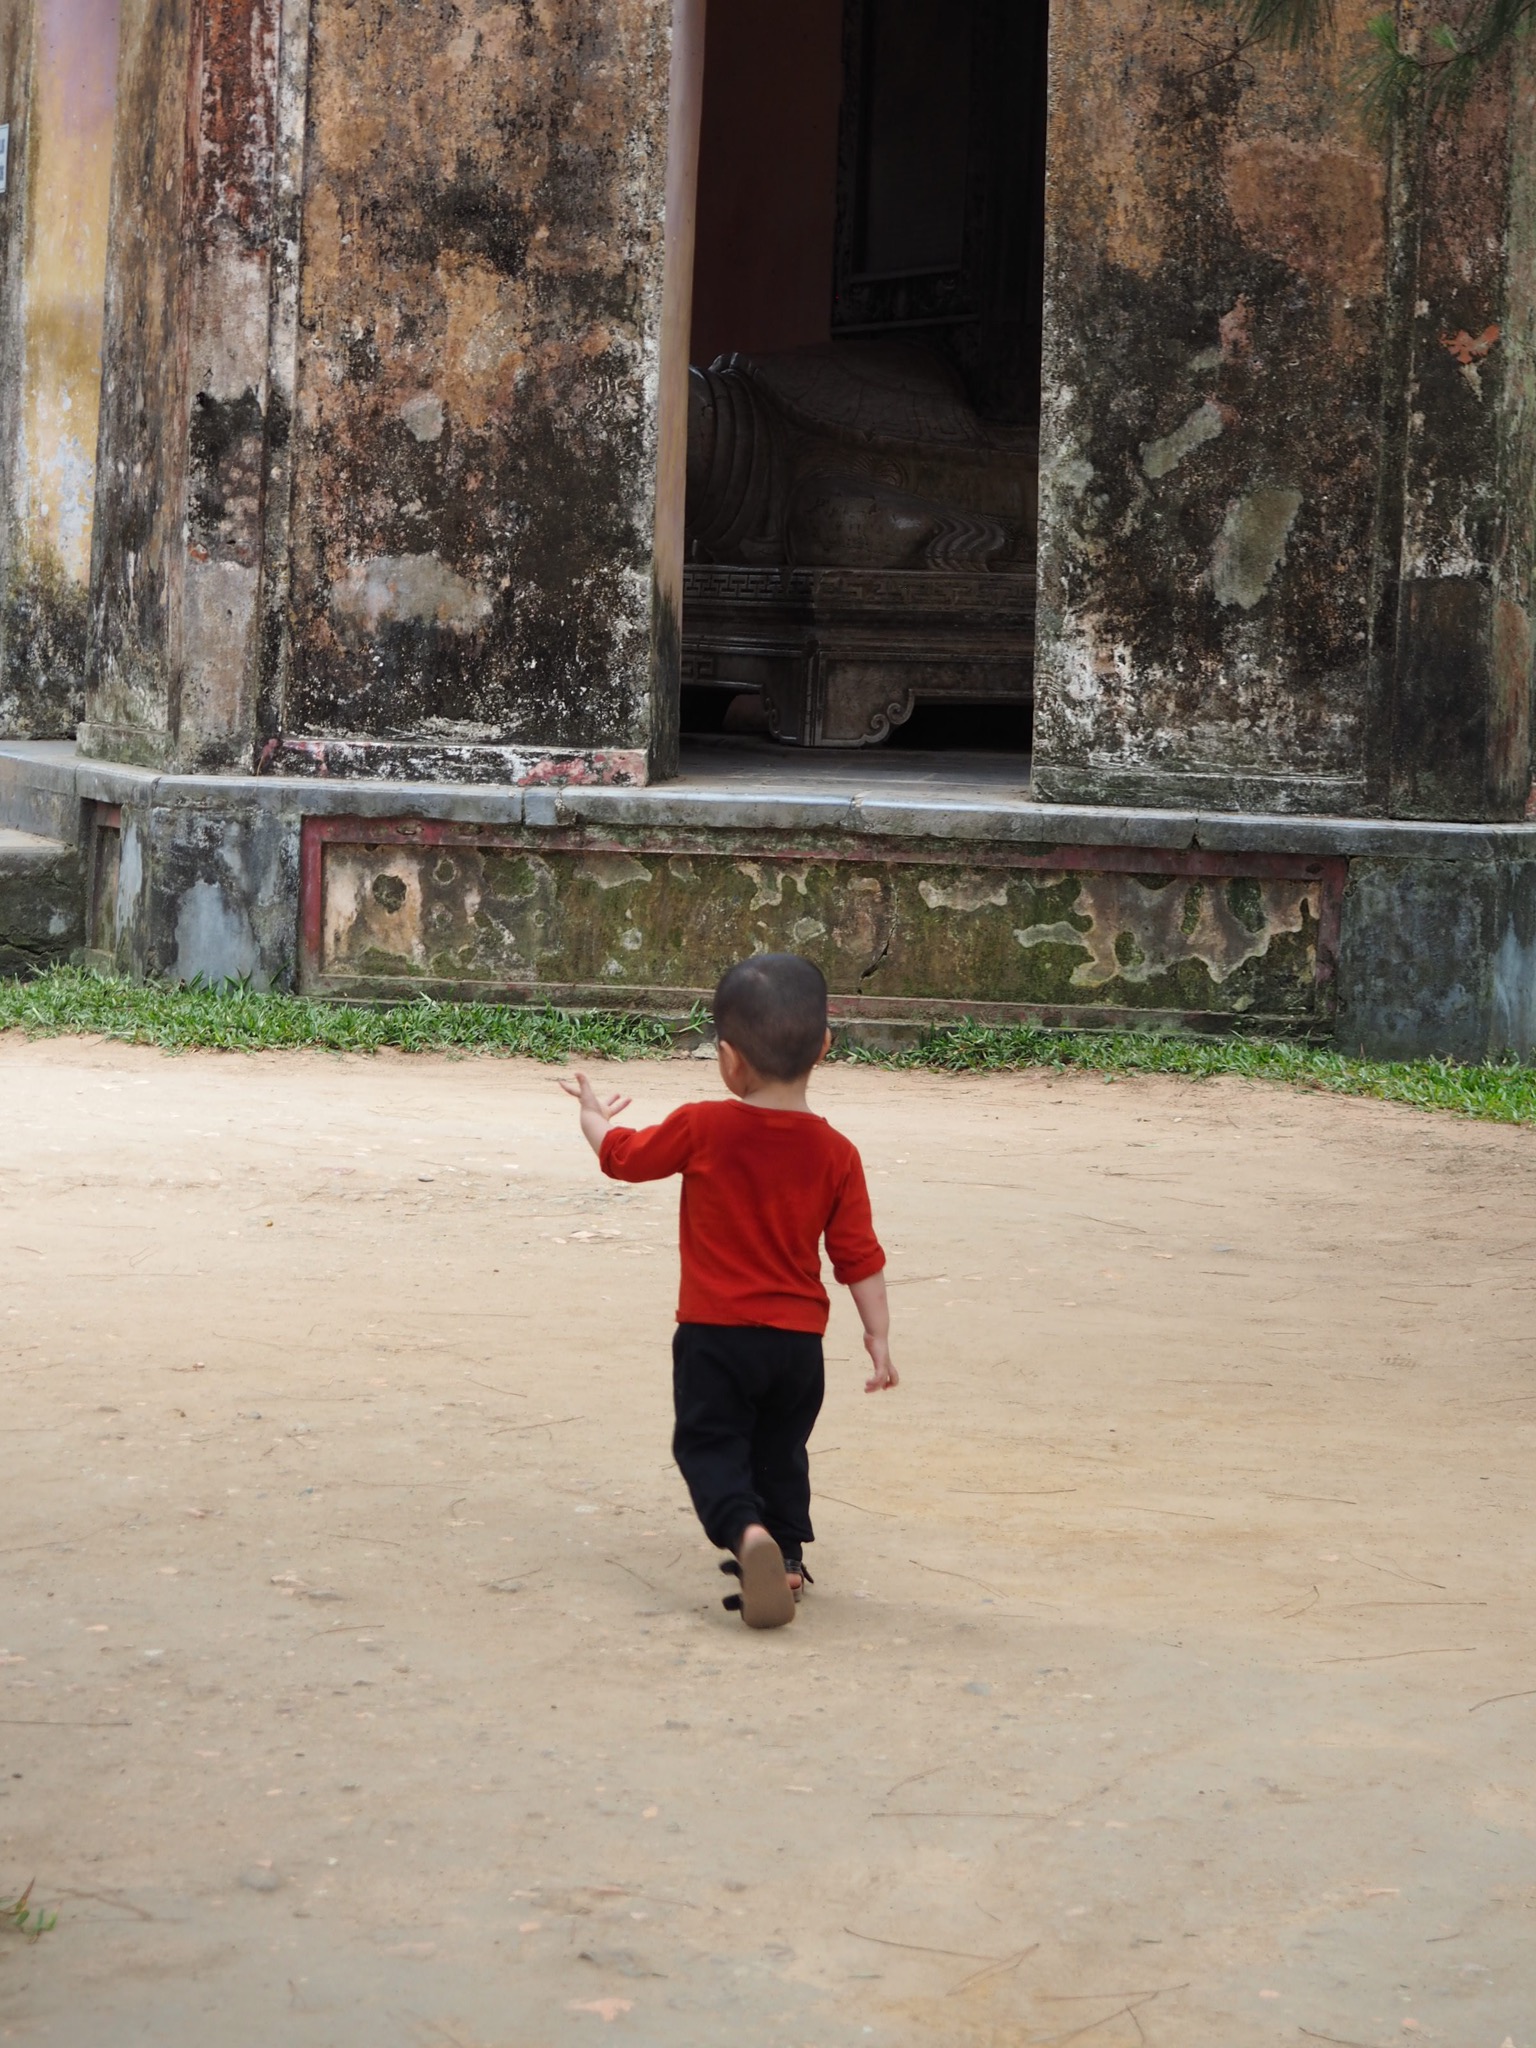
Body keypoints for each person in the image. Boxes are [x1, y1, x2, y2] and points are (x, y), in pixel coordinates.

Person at [560, 953, 897, 1630]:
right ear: (825, 1047)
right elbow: (857, 1256)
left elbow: (623, 1158)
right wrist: (878, 1335)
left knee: (710, 1445)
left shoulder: (702, 1126)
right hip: (797, 1348)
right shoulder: (838, 1153)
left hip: (716, 1338)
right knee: (780, 1450)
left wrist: (593, 1118)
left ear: (728, 1059)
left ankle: (747, 1535)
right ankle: (789, 1559)